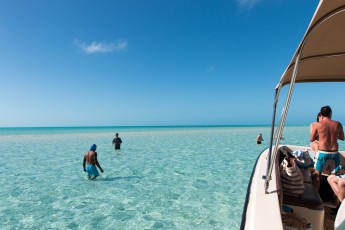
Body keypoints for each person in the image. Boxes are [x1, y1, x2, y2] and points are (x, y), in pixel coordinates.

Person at [310, 106, 345, 190]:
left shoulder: (317, 125)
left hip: (323, 153)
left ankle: (316, 196)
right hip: (335, 153)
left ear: (321, 114)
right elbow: (342, 137)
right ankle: (337, 199)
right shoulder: (338, 124)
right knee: (333, 177)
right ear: (330, 113)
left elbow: (312, 139)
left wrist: (322, 135)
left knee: (317, 175)